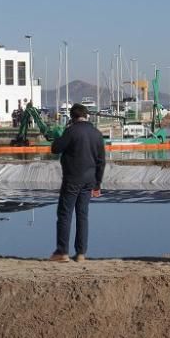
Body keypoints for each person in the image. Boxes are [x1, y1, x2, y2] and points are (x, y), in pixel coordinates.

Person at [50, 104, 106, 262]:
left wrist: (59, 135)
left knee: (65, 214)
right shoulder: (97, 134)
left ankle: (62, 252)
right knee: (82, 215)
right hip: (90, 180)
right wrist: (97, 184)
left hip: (72, 178)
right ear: (86, 116)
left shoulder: (71, 131)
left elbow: (55, 148)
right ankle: (81, 253)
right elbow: (101, 161)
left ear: (72, 117)